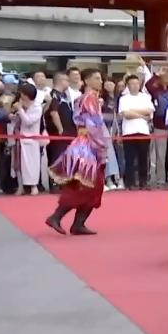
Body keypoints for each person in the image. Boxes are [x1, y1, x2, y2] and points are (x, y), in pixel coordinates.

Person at [46, 69, 109, 235]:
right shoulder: (90, 98)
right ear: (87, 81)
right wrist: (101, 146)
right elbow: (94, 125)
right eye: (97, 78)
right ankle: (59, 217)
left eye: (100, 78)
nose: (100, 81)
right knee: (88, 184)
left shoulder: (83, 98)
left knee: (87, 184)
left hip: (82, 143)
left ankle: (76, 223)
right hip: (89, 145)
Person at [118, 74, 154, 190]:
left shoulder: (145, 97)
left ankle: (144, 182)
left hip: (143, 131)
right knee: (130, 159)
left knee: (144, 158)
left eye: (136, 83)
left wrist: (133, 111)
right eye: (132, 84)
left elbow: (149, 111)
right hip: (129, 132)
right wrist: (141, 115)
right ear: (128, 86)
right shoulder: (124, 98)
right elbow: (126, 114)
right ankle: (130, 183)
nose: (135, 86)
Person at [12, 83, 44, 195]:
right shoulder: (21, 104)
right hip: (19, 138)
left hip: (31, 139)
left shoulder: (37, 107)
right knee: (18, 164)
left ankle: (33, 186)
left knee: (31, 164)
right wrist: (14, 115)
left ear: (26, 95)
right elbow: (19, 120)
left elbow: (28, 121)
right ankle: (20, 186)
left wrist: (20, 109)